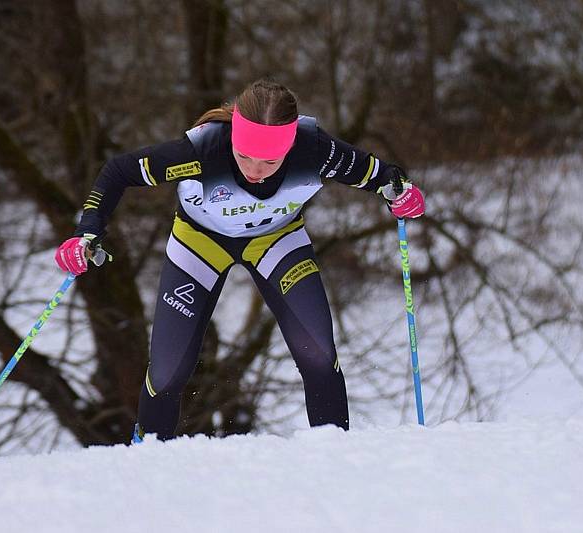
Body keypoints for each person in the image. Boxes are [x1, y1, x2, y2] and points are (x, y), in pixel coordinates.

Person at [54, 79, 424, 442]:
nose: (254, 169)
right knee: (167, 373)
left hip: (275, 240)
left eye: (269, 160)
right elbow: (118, 171)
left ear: (290, 145)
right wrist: (87, 231)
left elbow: (381, 175)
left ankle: (336, 456)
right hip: (200, 241)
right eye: (243, 153)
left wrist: (401, 193)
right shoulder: (203, 149)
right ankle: (146, 464)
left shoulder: (313, 149)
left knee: (319, 355)